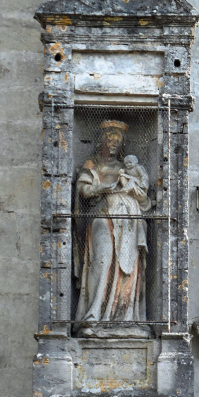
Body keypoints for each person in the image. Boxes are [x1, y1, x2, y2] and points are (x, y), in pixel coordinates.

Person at [73, 120, 151, 336]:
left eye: (118, 141)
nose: (114, 144)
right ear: (102, 141)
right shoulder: (93, 164)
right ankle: (92, 317)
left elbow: (144, 198)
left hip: (129, 220)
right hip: (103, 216)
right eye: (110, 139)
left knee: (128, 270)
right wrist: (103, 187)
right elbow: (83, 190)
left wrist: (133, 189)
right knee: (102, 262)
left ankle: (126, 319)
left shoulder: (128, 169)